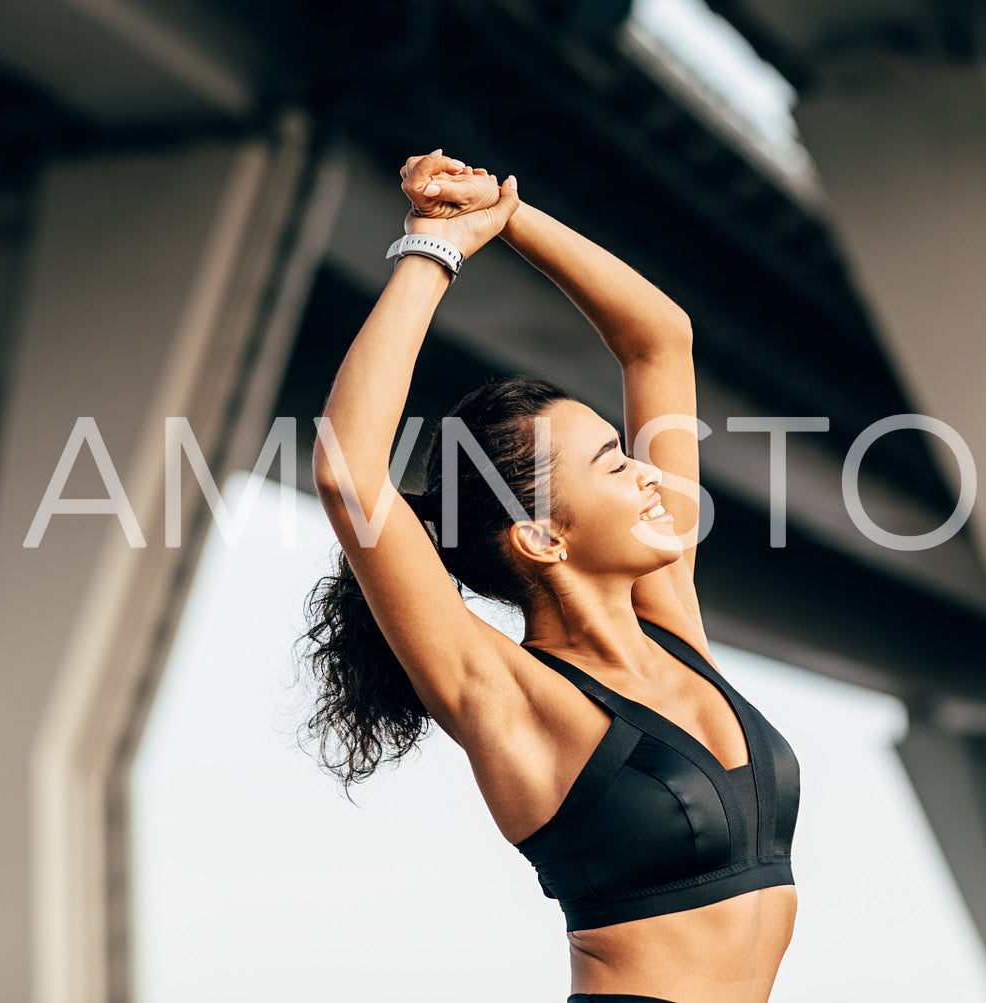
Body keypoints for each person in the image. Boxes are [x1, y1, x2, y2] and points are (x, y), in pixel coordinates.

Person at [302, 149, 800, 1003]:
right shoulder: (506, 693)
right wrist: (431, 247)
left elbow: (657, 340)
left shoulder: (668, 615)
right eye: (614, 465)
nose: (651, 474)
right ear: (539, 536)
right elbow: (351, 474)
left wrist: (501, 215)